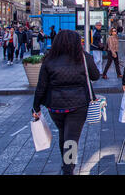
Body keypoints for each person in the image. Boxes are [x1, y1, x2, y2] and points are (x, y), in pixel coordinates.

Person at [32, 30, 100, 175]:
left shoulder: (49, 59)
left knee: (64, 134)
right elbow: (95, 76)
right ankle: (68, 169)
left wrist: (35, 107)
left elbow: (41, 86)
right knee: (72, 138)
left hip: (55, 106)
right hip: (79, 104)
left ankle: (66, 164)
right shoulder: (83, 57)